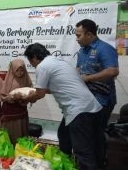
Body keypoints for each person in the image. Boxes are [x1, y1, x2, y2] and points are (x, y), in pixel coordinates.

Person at [22, 43, 103, 170]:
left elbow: (40, 94)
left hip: (78, 110)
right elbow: (55, 88)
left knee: (83, 151)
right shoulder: (58, 62)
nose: (31, 64)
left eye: (30, 60)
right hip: (88, 106)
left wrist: (25, 98)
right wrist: (36, 91)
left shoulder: (42, 66)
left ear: (34, 57)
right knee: (64, 136)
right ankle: (65, 164)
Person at [75, 19, 119, 168]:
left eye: (79, 35)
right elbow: (79, 70)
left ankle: (98, 165)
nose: (77, 38)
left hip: (102, 100)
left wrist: (87, 78)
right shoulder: (82, 50)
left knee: (96, 136)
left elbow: (113, 71)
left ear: (89, 34)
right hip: (87, 100)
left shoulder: (104, 48)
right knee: (86, 135)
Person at [0, 59, 32, 145]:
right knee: (9, 132)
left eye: (22, 70)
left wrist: (23, 98)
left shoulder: (26, 79)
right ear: (13, 69)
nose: (20, 72)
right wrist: (10, 97)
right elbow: (3, 95)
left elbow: (31, 92)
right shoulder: (8, 79)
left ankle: (19, 148)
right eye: (17, 70)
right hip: (9, 111)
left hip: (21, 110)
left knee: (20, 130)